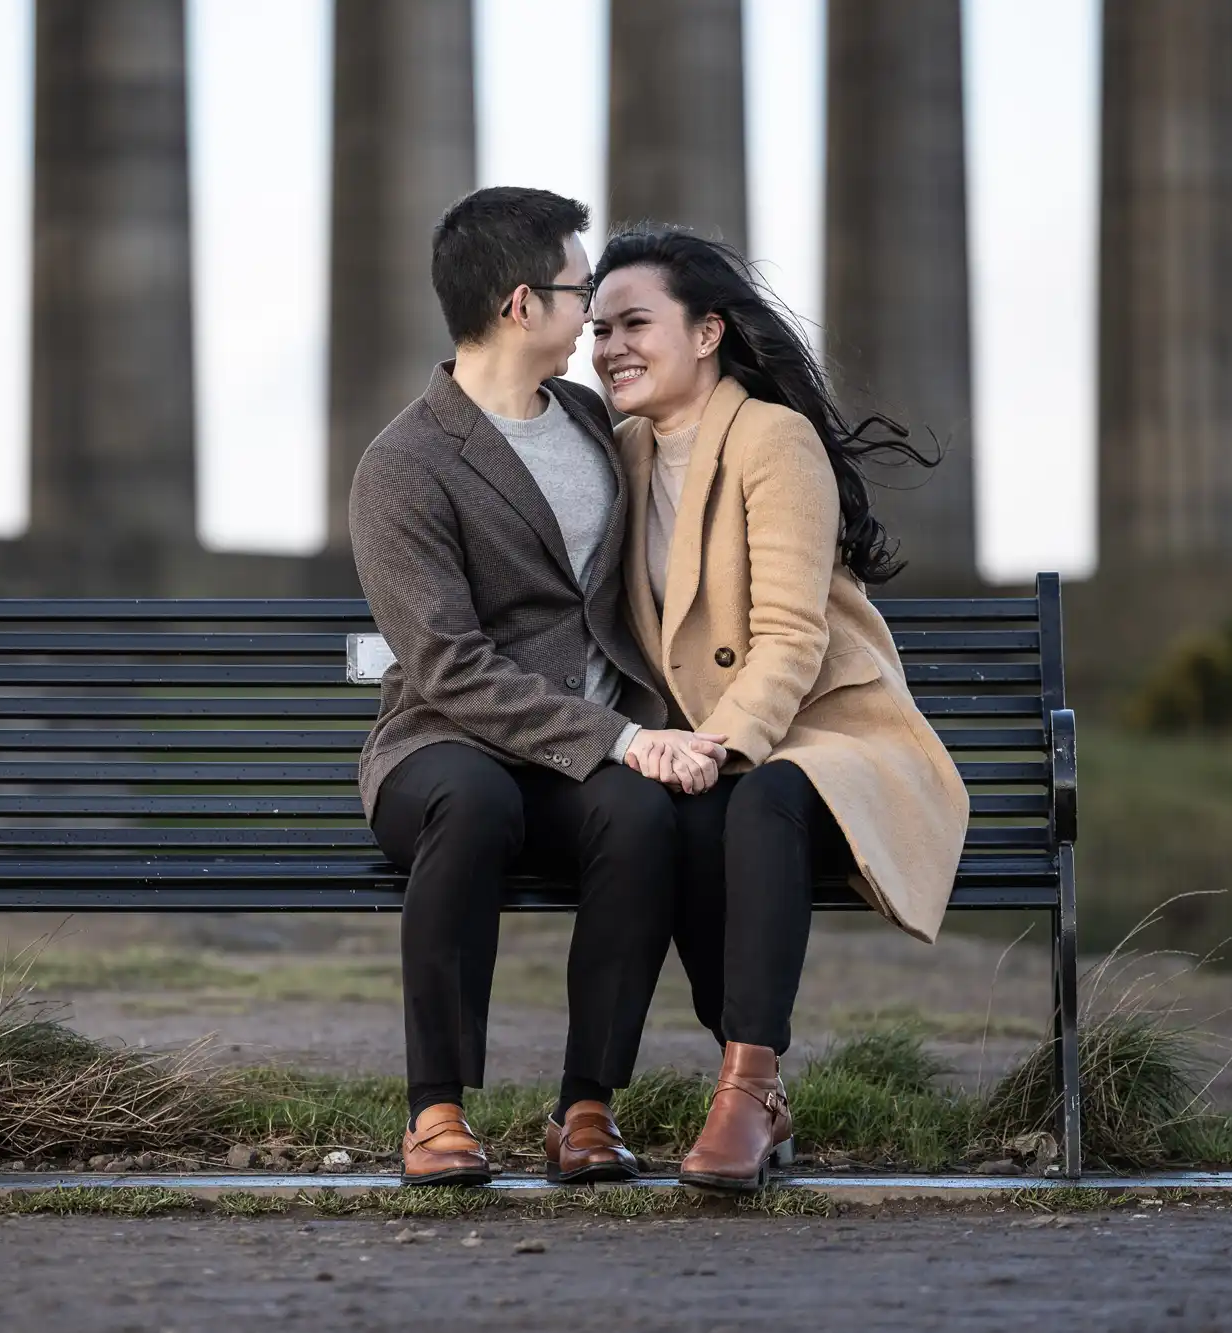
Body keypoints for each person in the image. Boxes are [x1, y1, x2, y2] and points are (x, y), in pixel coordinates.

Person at [348, 188, 729, 1187]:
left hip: (581, 758)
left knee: (640, 820)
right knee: (472, 808)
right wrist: (619, 737)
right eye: (580, 292)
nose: (595, 317)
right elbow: (447, 664)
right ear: (523, 305)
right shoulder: (403, 464)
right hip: (443, 745)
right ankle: (434, 1111)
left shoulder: (591, 422)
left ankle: (586, 1108)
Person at [588, 226, 969, 1190]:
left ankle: (750, 1086)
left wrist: (714, 744)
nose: (610, 346)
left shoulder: (771, 436)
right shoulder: (621, 451)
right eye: (596, 328)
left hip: (830, 734)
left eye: (636, 322)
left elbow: (793, 636)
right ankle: (723, 1081)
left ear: (708, 331)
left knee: (754, 800)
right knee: (673, 815)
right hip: (719, 749)